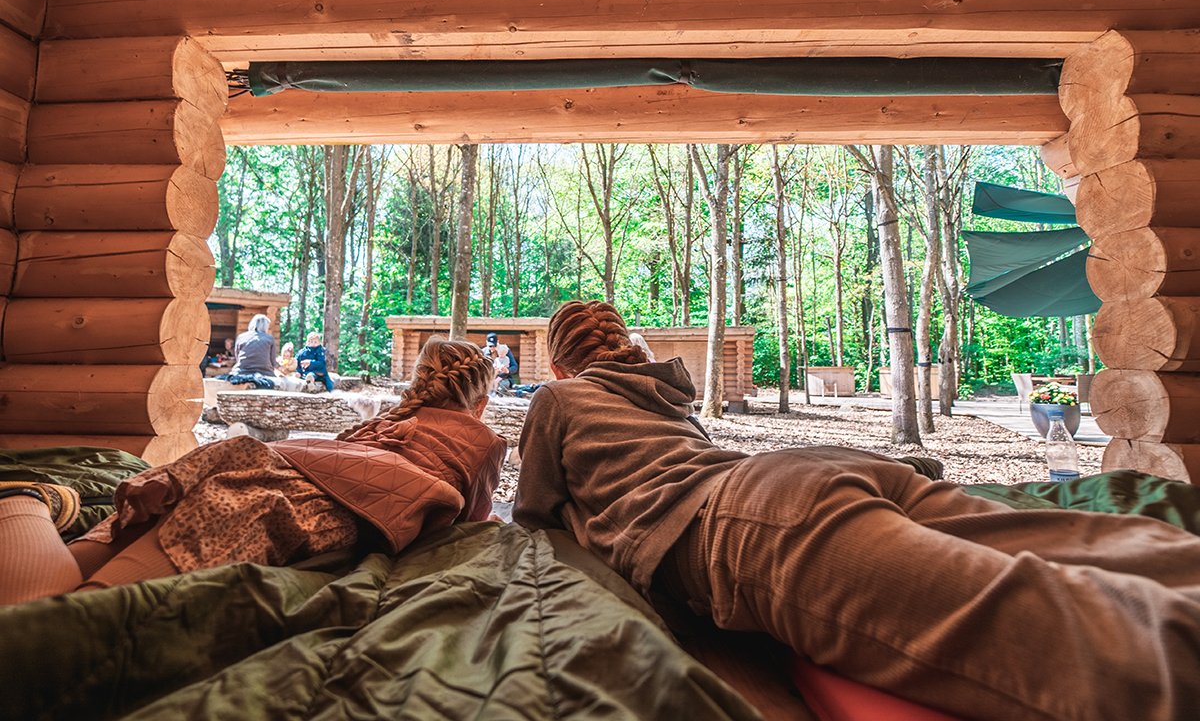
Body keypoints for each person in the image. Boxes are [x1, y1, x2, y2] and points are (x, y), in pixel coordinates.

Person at [513, 299, 1200, 721]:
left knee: (1072, 635)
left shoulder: (559, 399)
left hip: (751, 524)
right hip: (805, 471)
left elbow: (534, 516)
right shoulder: (667, 399)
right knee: (1093, 544)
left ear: (562, 364)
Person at [0, 338, 504, 606]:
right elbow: (474, 523)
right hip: (284, 505)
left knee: (67, 576)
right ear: (479, 402)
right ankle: (24, 505)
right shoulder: (484, 441)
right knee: (63, 618)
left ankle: (26, 504)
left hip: (253, 467)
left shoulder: (387, 422)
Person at [225, 315, 280, 389]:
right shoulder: (269, 338)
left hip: (241, 372)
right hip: (265, 373)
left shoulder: (241, 337)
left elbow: (237, 357)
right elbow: (273, 362)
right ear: (265, 327)